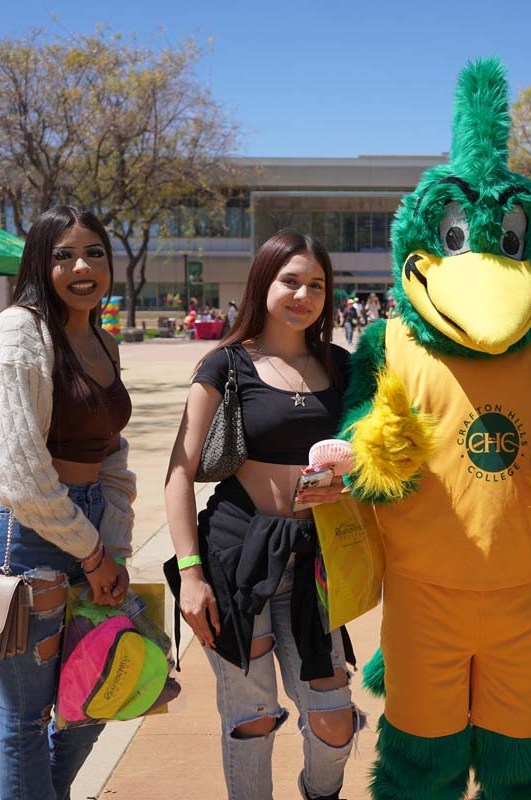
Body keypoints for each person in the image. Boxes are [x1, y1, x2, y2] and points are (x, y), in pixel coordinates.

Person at [164, 231, 360, 800]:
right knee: (252, 718)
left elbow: (378, 454)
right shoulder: (224, 364)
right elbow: (179, 473)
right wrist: (191, 574)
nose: (304, 295)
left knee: (334, 719)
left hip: (314, 563)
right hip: (237, 560)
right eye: (290, 281)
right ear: (263, 283)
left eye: (316, 285)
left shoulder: (342, 366)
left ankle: (318, 791)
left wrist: (349, 485)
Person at [0, 206, 136, 799]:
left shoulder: (103, 342)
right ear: (40, 263)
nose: (82, 267)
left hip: (90, 532)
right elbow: (19, 473)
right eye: (64, 256)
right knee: (27, 719)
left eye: (94, 253)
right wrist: (93, 553)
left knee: (97, 696)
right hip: (25, 536)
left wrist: (112, 545)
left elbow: (113, 454)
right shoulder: (19, 332)